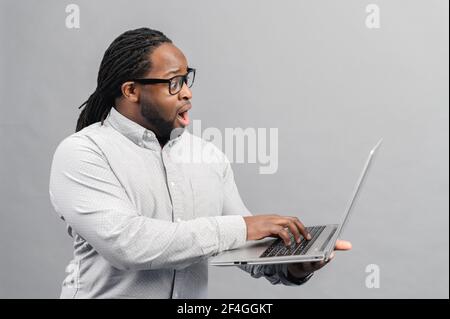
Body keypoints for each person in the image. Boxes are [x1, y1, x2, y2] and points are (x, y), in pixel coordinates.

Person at [49, 27, 352, 299]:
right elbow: (129, 244)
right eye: (173, 82)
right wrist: (242, 227)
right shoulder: (83, 153)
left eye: (186, 78)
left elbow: (241, 245)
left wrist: (293, 265)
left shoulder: (208, 156)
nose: (188, 92)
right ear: (131, 90)